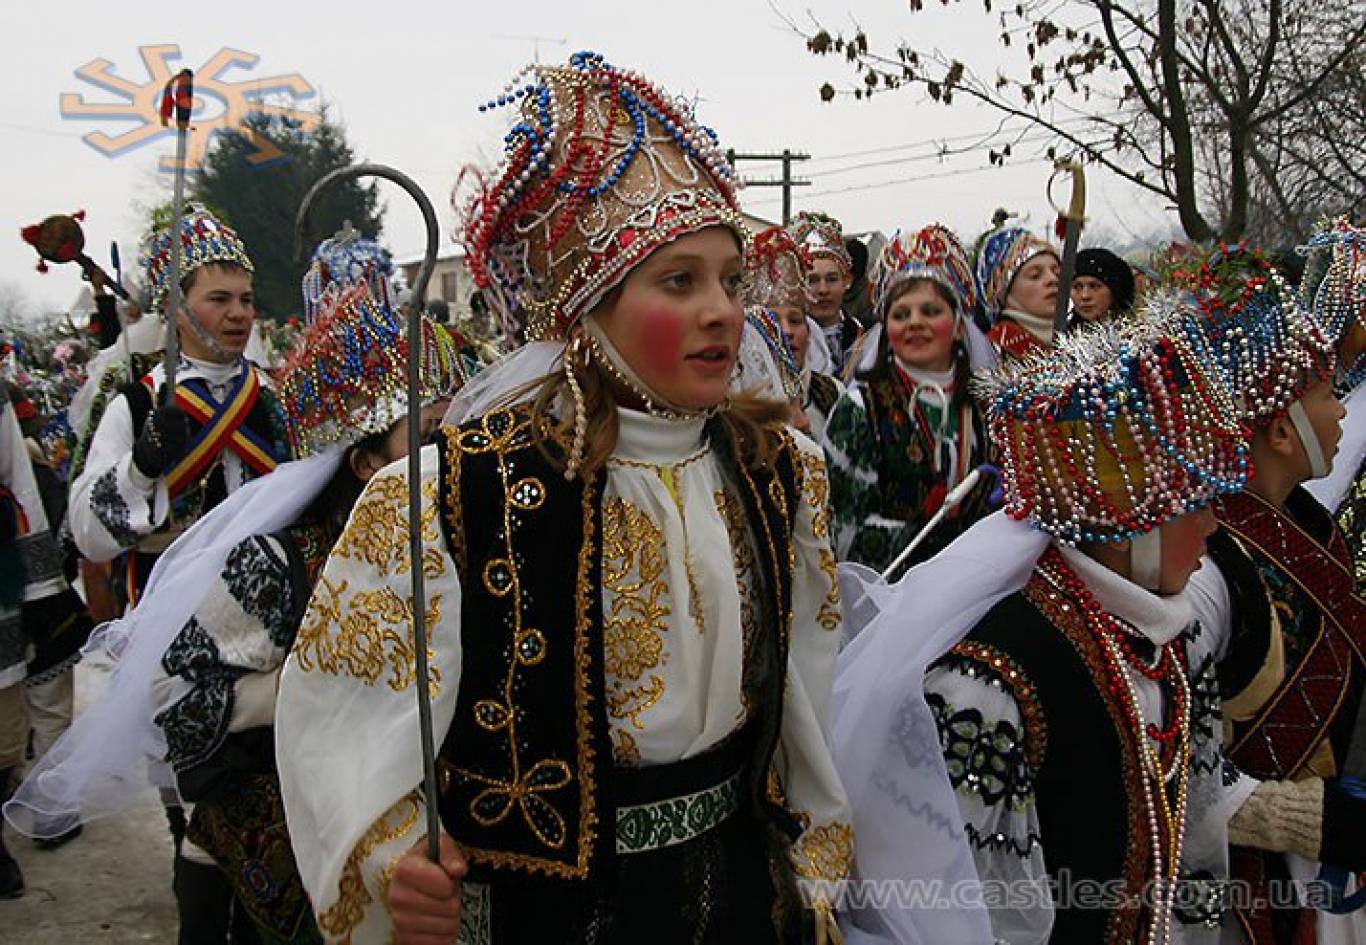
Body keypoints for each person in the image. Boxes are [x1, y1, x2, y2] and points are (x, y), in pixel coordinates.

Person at [275, 50, 852, 945]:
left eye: (730, 280)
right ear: (590, 314)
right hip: (557, 916)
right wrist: (391, 853)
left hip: (741, 893)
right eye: (678, 281)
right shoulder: (450, 493)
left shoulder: (781, 472)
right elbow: (338, 716)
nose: (722, 310)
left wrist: (814, 859)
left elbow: (804, 700)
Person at [833, 294, 1256, 944]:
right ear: (1126, 513)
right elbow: (995, 918)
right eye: (1191, 500)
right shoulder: (989, 678)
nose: (1211, 524)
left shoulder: (1172, 636)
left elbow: (1196, 848)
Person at [149, 241, 461, 944]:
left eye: (459, 435)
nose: (454, 458)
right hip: (264, 860)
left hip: (394, 858)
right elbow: (172, 699)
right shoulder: (274, 562)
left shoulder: (459, 548)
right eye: (432, 438)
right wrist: (305, 686)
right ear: (364, 463)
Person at [64, 207, 291, 941]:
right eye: (217, 299)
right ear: (176, 306)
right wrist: (142, 465)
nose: (236, 314)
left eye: (245, 299)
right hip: (176, 635)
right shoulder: (135, 401)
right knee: (196, 813)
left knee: (265, 801)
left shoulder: (275, 398)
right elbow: (91, 533)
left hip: (266, 639)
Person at [1178, 245, 1366, 944]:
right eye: (1325, 392)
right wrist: (1313, 819)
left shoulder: (1313, 526)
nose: (1342, 408)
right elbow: (1174, 753)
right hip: (1241, 887)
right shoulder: (1201, 567)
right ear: (1282, 428)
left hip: (1320, 873)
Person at [823, 224, 996, 576]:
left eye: (931, 311)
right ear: (885, 328)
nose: (915, 323)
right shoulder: (859, 409)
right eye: (901, 314)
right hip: (893, 597)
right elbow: (841, 528)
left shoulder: (986, 405)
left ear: (959, 325)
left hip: (981, 590)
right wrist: (932, 541)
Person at [744, 226, 841, 440]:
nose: (786, 332)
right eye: (772, 321)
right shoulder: (734, 406)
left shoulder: (831, 394)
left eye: (795, 320)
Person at [790, 211, 863, 377]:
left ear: (847, 281)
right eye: (812, 280)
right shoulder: (785, 340)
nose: (823, 290)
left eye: (832, 279)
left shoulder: (863, 337)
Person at [973, 225, 1060, 360]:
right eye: (1035, 275)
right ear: (1004, 293)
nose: (1052, 279)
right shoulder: (991, 353)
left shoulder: (1080, 340)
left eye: (1057, 273)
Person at [1069, 246, 1136, 325]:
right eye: (1077, 287)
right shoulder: (1058, 334)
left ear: (1114, 291)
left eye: (1094, 286)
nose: (1085, 296)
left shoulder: (1143, 334)